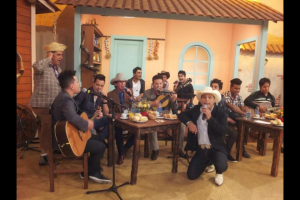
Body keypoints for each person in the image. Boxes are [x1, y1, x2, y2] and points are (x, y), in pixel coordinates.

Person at [51, 70, 111, 183]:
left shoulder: (64, 96)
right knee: (101, 147)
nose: (80, 84)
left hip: (70, 134)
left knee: (99, 139)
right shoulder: (65, 99)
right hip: (66, 141)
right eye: (77, 82)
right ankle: (92, 173)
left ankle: (90, 169)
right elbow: (72, 117)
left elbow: (72, 116)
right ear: (71, 86)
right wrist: (87, 123)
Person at [178, 87, 228, 186]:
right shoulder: (196, 110)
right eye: (204, 97)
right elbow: (182, 115)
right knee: (191, 175)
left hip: (216, 147)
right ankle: (208, 162)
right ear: (200, 100)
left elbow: (223, 131)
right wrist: (189, 123)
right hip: (201, 149)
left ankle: (219, 172)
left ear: (214, 100)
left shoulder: (220, 112)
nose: (207, 100)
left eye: (210, 97)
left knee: (221, 164)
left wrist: (210, 118)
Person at [29, 42, 67, 166]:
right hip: (42, 104)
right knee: (50, 127)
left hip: (53, 105)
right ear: (51, 55)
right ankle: (50, 155)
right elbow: (36, 66)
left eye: (62, 55)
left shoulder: (58, 69)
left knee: (47, 128)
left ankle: (44, 155)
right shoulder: (42, 66)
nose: (61, 57)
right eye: (58, 55)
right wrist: (48, 58)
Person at [142, 74, 178, 160]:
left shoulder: (168, 93)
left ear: (163, 84)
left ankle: (178, 149)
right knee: (153, 127)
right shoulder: (147, 93)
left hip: (166, 117)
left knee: (182, 125)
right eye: (156, 83)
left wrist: (173, 100)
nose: (159, 85)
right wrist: (152, 103)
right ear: (152, 84)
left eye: (160, 83)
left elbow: (175, 108)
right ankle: (155, 150)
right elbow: (140, 105)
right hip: (153, 117)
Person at [107, 73, 135, 165]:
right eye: (120, 82)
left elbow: (133, 107)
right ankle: (121, 154)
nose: (123, 84)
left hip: (128, 118)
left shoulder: (128, 92)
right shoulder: (110, 94)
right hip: (117, 119)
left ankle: (125, 147)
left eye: (124, 82)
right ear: (115, 84)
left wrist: (131, 97)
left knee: (138, 131)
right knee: (118, 131)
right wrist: (117, 115)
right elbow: (109, 110)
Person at [244, 77, 276, 152]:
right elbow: (246, 101)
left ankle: (262, 146)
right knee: (264, 128)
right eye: (264, 86)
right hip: (257, 117)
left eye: (268, 86)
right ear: (260, 87)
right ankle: (261, 145)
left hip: (267, 117)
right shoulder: (255, 94)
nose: (266, 88)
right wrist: (258, 107)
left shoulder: (271, 97)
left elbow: (273, 109)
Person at [74, 74, 109, 143]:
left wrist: (104, 101)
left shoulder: (101, 96)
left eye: (101, 86)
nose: (99, 88)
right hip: (84, 121)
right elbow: (74, 107)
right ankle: (100, 140)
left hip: (94, 120)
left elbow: (106, 113)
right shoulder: (85, 93)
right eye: (97, 85)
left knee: (110, 120)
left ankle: (99, 139)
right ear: (93, 83)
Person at [223, 78, 250, 158]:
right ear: (231, 87)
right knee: (237, 117)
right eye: (236, 88)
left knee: (245, 126)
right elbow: (232, 108)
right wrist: (245, 114)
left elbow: (242, 108)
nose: (237, 90)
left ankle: (241, 148)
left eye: (239, 88)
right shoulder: (225, 95)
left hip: (236, 118)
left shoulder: (239, 97)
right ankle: (240, 149)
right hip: (226, 118)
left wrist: (247, 111)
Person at [173, 70, 194, 158]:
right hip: (178, 104)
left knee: (186, 119)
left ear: (185, 76)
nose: (180, 77)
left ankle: (185, 147)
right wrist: (175, 87)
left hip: (187, 105)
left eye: (182, 76)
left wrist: (186, 104)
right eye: (179, 76)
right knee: (174, 112)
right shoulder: (179, 85)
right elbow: (174, 95)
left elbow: (191, 96)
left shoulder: (189, 85)